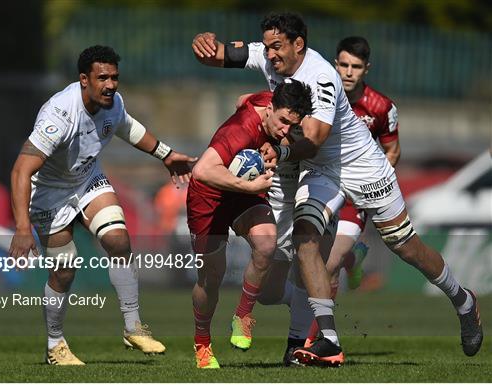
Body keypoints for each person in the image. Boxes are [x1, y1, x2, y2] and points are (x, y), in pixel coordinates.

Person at [192, 12, 483, 367]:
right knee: (305, 240)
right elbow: (223, 53)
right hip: (321, 171)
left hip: (361, 166)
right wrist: (204, 44)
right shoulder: (272, 55)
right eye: (266, 47)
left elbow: (313, 139)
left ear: (299, 44)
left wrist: (281, 149)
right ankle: (327, 340)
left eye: (277, 47)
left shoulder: (322, 77)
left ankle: (463, 300)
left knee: (406, 247)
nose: (269, 55)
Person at [8, 45, 196, 365]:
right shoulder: (59, 116)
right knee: (65, 271)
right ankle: (55, 346)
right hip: (49, 194)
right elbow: (20, 170)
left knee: (118, 241)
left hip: (87, 180)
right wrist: (22, 227)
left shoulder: (112, 103)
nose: (110, 84)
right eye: (102, 78)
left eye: (115, 77)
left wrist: (166, 154)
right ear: (84, 79)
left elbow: (127, 127)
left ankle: (133, 326)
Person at [188, 80, 312, 369]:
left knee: (266, 243)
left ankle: (242, 316)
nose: (284, 131)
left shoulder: (271, 99)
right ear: (269, 109)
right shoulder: (240, 130)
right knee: (211, 279)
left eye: (290, 125)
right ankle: (202, 343)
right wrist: (247, 185)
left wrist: (278, 145)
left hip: (245, 189)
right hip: (209, 196)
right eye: (281, 122)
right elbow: (202, 170)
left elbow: (243, 97)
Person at [305, 35, 403, 344]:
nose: (348, 72)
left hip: (355, 195)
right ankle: (353, 258)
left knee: (329, 264)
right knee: (307, 258)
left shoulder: (381, 107)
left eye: (356, 67)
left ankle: (317, 340)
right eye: (344, 65)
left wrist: (372, 188)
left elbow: (393, 152)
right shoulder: (320, 94)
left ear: (366, 69)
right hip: (324, 184)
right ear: (335, 64)